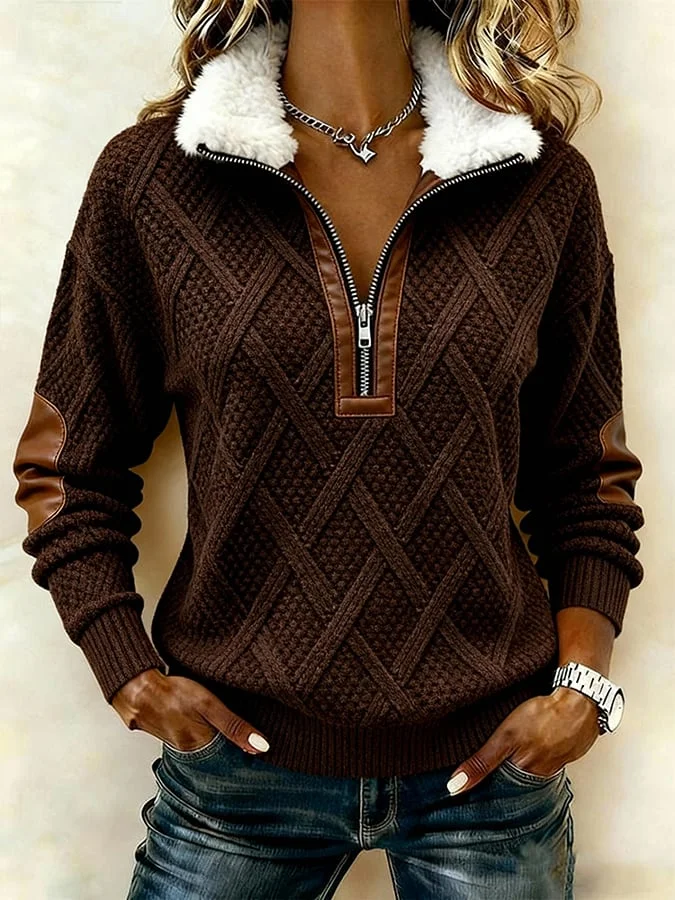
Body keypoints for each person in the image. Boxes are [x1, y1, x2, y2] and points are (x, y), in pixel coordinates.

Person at [12, 0, 645, 897]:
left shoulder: (541, 184)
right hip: (236, 775)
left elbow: (586, 477)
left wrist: (582, 689)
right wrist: (127, 670)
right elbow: (67, 466)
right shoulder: (154, 179)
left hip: (493, 776)